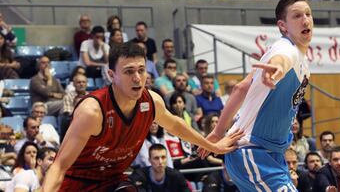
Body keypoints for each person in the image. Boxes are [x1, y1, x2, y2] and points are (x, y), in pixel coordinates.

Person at [42, 42, 243, 191]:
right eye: (129, 72)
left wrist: (213, 146)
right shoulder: (92, 112)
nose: (137, 78)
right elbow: (59, 166)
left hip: (113, 181)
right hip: (78, 182)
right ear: (112, 75)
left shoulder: (151, 102)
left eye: (141, 70)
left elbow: (175, 125)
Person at [199, 0, 313, 191]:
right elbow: (280, 60)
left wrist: (218, 132)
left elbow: (241, 87)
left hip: (271, 154)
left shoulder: (302, 60)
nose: (305, 20)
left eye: (308, 14)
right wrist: (276, 71)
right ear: (283, 26)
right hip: (252, 150)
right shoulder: (286, 49)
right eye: (296, 16)